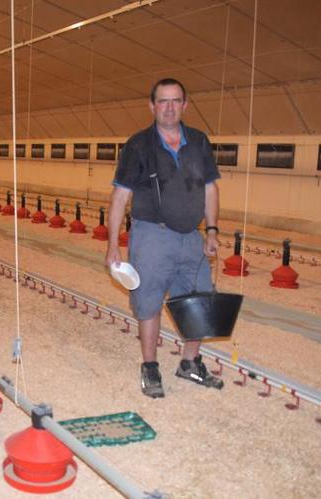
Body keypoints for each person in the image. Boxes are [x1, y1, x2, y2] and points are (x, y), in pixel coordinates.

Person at [105, 78, 223, 398]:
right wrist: (113, 244)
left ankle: (189, 362)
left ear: (185, 105)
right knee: (149, 301)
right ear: (152, 106)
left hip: (192, 237)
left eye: (175, 101)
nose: (169, 108)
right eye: (163, 101)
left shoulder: (199, 142)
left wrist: (211, 229)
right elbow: (119, 197)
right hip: (152, 235)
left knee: (199, 299)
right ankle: (150, 367)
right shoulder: (139, 145)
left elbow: (210, 187)